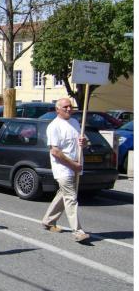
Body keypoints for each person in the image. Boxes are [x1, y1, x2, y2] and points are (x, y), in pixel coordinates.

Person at [42, 98, 90, 242]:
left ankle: (48, 221)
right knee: (71, 197)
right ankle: (78, 231)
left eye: (70, 106)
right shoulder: (54, 126)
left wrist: (84, 142)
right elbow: (55, 151)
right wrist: (73, 165)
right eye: (65, 107)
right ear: (57, 110)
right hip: (63, 168)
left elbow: (84, 142)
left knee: (64, 194)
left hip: (76, 165)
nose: (69, 109)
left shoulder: (75, 122)